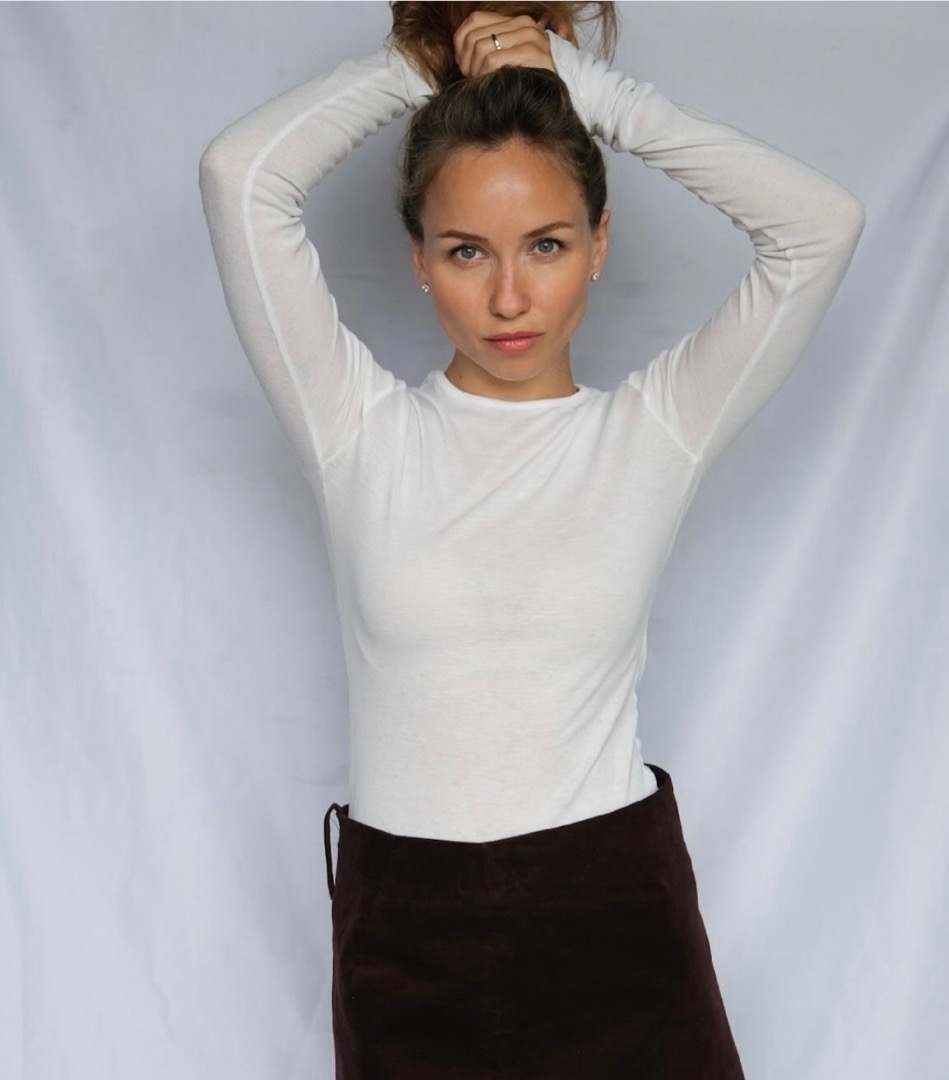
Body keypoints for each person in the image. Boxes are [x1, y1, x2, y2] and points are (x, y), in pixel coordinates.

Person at [198, 3, 865, 1076]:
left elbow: (820, 225)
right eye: (466, 250)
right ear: (419, 260)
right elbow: (240, 178)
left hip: (617, 937)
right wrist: (411, 67)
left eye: (546, 245)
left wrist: (595, 94)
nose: (509, 297)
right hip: (406, 950)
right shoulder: (356, 433)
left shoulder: (653, 432)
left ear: (599, 245)